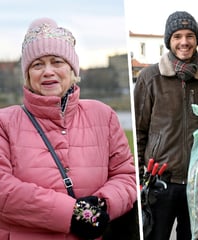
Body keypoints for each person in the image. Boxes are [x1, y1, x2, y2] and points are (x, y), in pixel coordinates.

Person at [0, 18, 137, 239]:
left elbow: (126, 175)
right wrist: (72, 213)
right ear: (27, 75)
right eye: (37, 64)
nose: (48, 71)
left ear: (72, 68)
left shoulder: (104, 115)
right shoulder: (4, 122)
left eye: (56, 61)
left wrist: (101, 205)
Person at [134, 11, 198, 240]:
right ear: (169, 41)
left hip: (197, 182)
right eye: (177, 36)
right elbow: (138, 130)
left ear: (196, 40)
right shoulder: (149, 77)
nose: (184, 42)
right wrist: (137, 174)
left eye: (190, 35)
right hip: (161, 181)